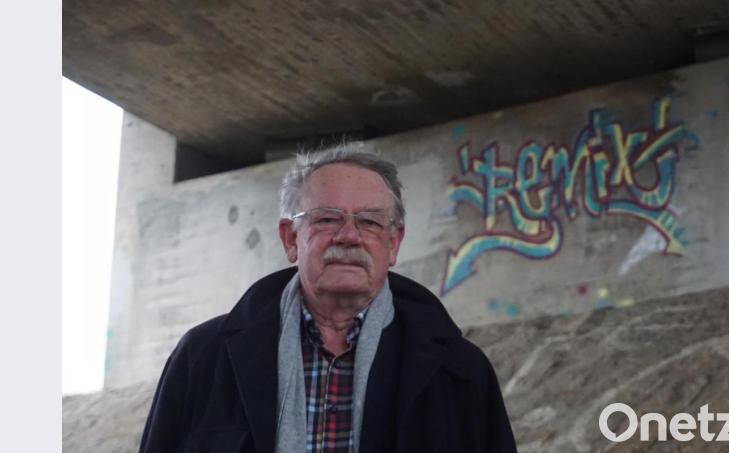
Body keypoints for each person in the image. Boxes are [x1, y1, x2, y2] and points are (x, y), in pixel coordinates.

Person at [139, 147, 517, 452]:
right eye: (327, 219)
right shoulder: (203, 358)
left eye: (369, 221)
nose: (349, 236)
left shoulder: (459, 371)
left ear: (393, 243)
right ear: (291, 239)